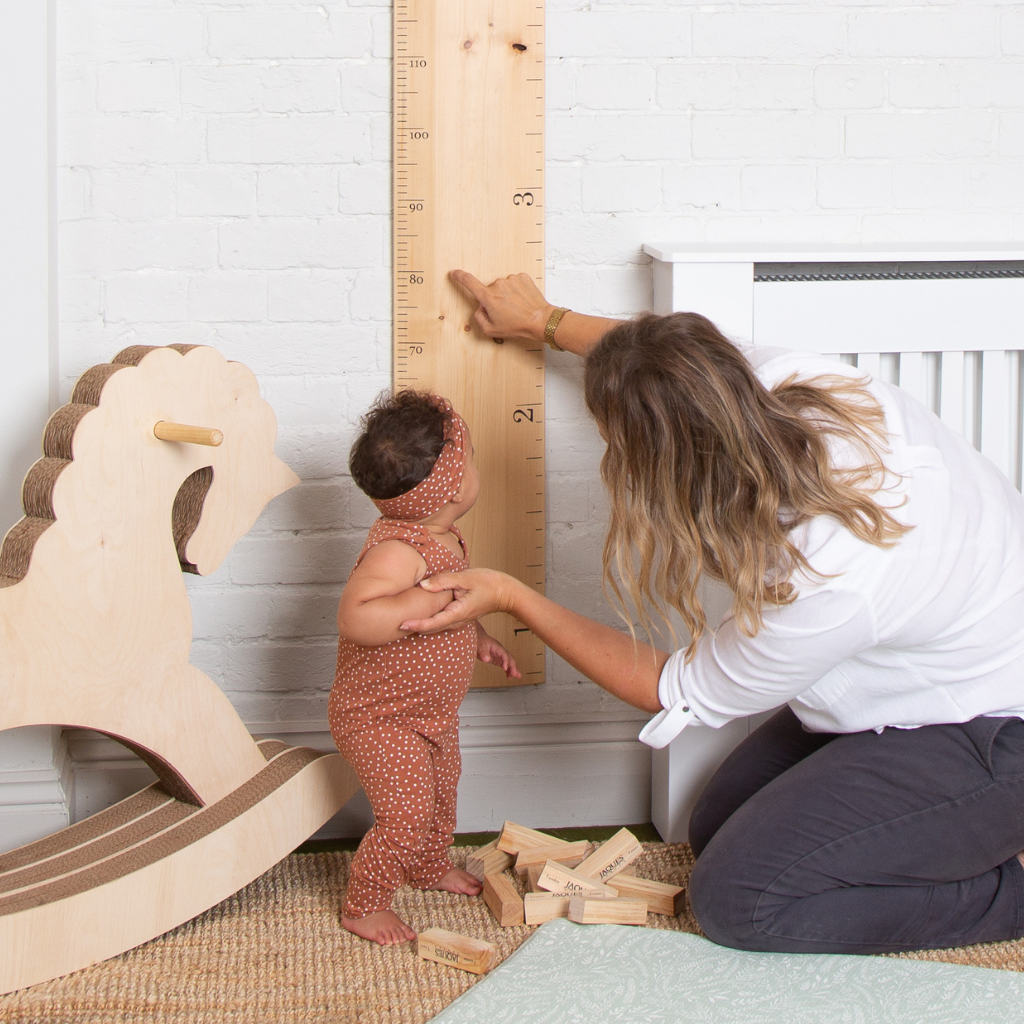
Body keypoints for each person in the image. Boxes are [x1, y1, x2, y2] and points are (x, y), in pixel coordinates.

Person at [398, 269, 1024, 955]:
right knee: (717, 827)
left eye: (617, 446)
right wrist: (545, 320)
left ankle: (1007, 887)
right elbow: (657, 362)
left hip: (992, 724)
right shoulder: (785, 382)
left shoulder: (833, 579)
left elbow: (671, 687)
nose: (610, 455)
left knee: (740, 901)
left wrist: (512, 596)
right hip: (934, 667)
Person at [329, 390, 520, 946]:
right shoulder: (398, 552)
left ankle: (428, 865)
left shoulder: (437, 537)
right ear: (453, 484)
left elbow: (448, 605)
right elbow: (355, 617)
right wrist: (425, 601)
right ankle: (365, 903)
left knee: (442, 792)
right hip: (380, 717)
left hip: (429, 712)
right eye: (474, 456)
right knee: (407, 812)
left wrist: (476, 634)